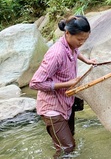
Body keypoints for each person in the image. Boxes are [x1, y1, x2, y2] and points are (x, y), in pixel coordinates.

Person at [30, 15, 96, 158]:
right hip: (52, 108)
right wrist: (68, 84)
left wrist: (88, 60)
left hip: (66, 102)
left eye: (85, 40)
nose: (82, 43)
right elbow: (35, 83)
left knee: (69, 138)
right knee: (68, 147)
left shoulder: (71, 45)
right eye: (79, 39)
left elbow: (76, 51)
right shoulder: (56, 53)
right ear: (67, 33)